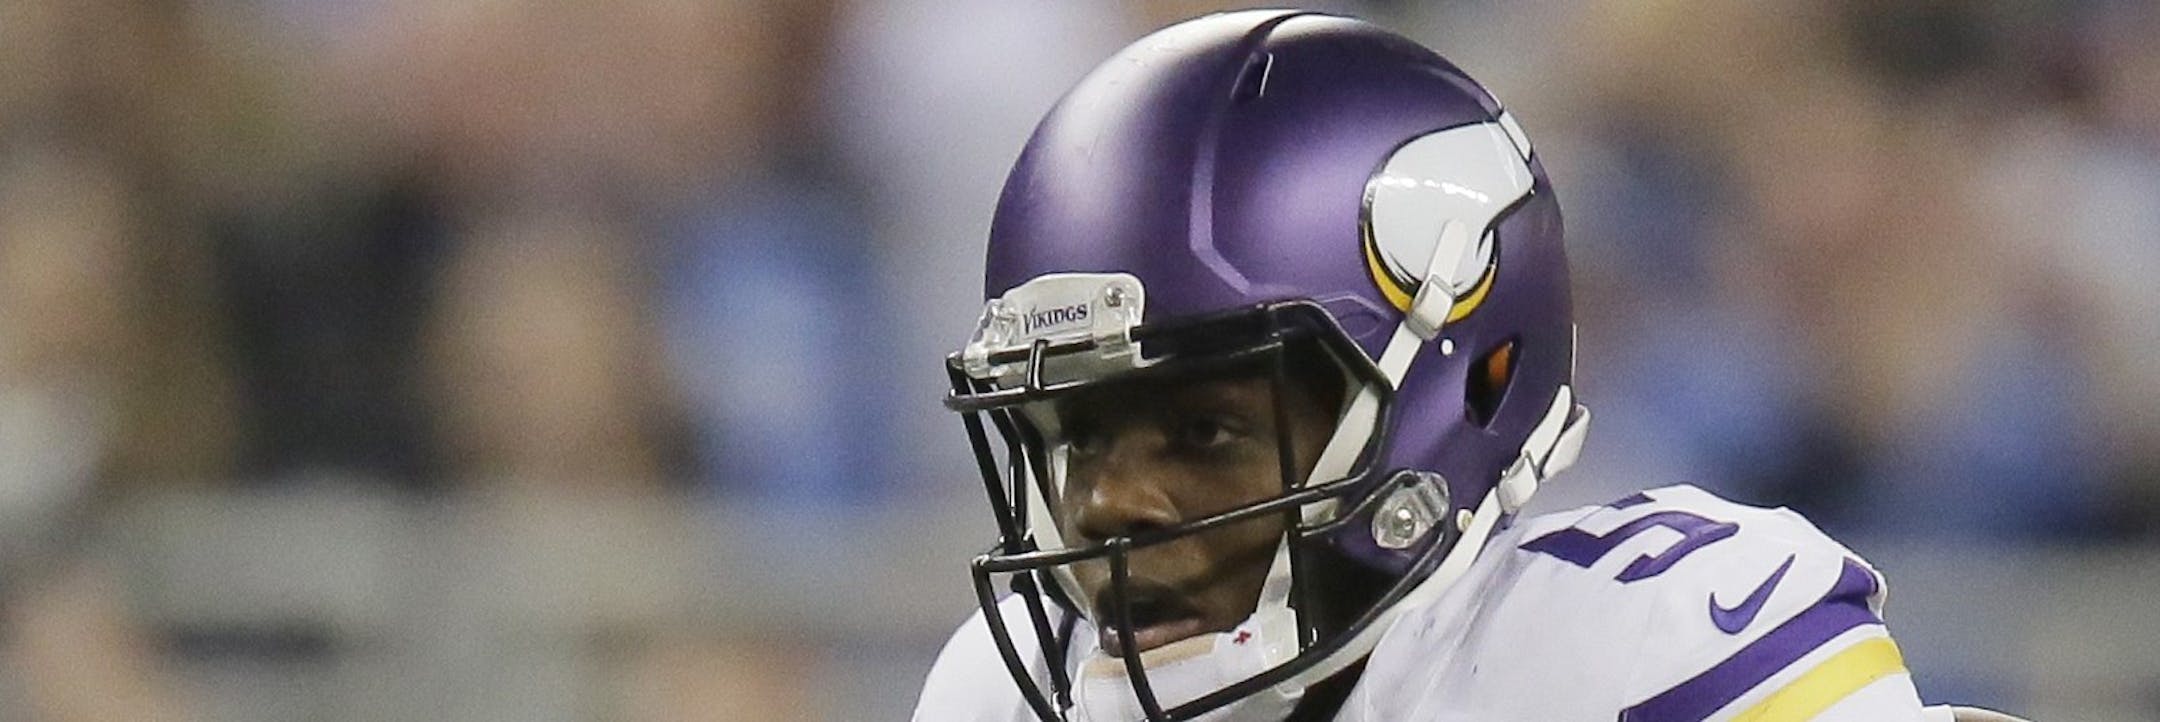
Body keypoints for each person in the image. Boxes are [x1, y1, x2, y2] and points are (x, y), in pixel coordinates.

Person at [913, 10, 2022, 722]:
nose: (1108, 503)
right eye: (1078, 433)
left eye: (1203, 432)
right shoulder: (1006, 692)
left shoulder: (1629, 651)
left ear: (1464, 383)